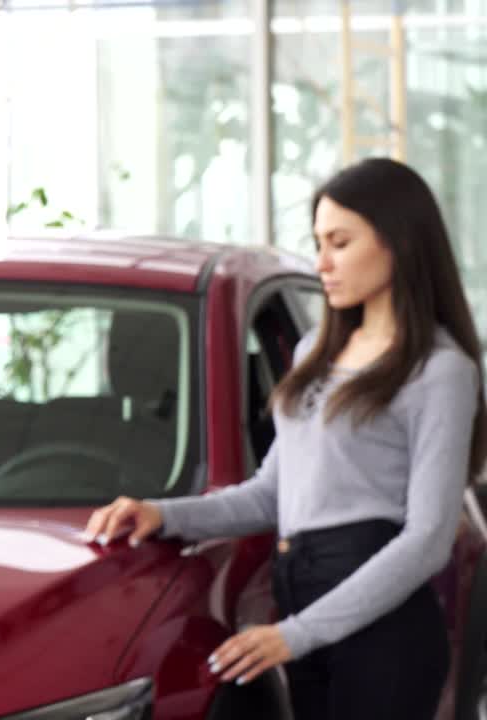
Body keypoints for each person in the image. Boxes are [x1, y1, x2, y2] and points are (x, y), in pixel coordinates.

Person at [84, 157, 485, 719]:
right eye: (318, 243)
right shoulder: (314, 353)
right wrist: (161, 514)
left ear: (399, 242)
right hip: (302, 601)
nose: (322, 263)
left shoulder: (439, 371)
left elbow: (428, 540)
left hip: (380, 628)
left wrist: (296, 633)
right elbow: (271, 494)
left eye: (340, 243)